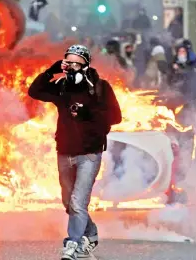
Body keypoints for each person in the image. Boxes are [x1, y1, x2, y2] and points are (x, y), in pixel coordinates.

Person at [28, 44, 122, 260]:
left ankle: (72, 243)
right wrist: (52, 71)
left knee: (79, 202)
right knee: (69, 203)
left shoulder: (100, 88)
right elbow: (34, 92)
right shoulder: (61, 86)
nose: (70, 67)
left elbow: (115, 117)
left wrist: (87, 110)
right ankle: (91, 234)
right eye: (67, 62)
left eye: (74, 63)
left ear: (85, 65)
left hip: (89, 154)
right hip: (64, 152)